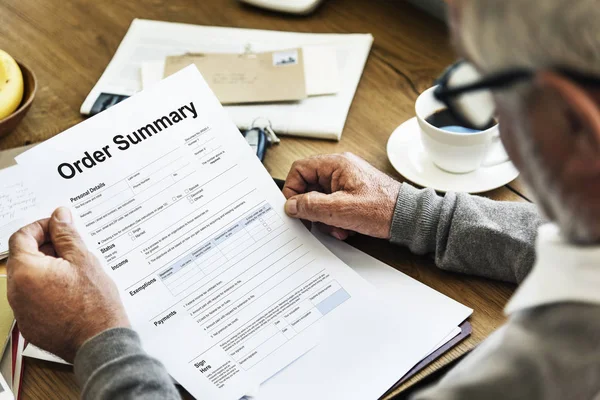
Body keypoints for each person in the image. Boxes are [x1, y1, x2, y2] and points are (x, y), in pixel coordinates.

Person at [7, 0, 600, 398]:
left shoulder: (546, 368)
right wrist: (418, 214)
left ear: (576, 121)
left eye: (483, 87)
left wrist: (97, 341)